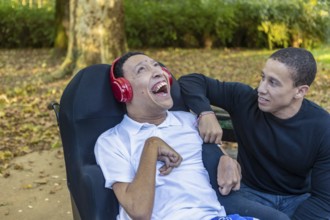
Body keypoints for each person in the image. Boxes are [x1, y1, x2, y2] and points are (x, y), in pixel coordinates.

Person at [94, 52, 257, 220]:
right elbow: (139, 211)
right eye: (142, 69)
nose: (158, 72)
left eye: (156, 65)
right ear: (124, 90)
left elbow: (220, 158)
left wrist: (228, 161)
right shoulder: (112, 141)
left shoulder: (191, 121)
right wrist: (151, 146)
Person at [178, 47, 330, 219]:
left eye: (273, 82)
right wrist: (205, 113)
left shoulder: (322, 127)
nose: (261, 89)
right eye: (263, 77)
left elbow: (325, 198)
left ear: (300, 91)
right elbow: (191, 81)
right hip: (249, 195)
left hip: (298, 200)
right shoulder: (244, 99)